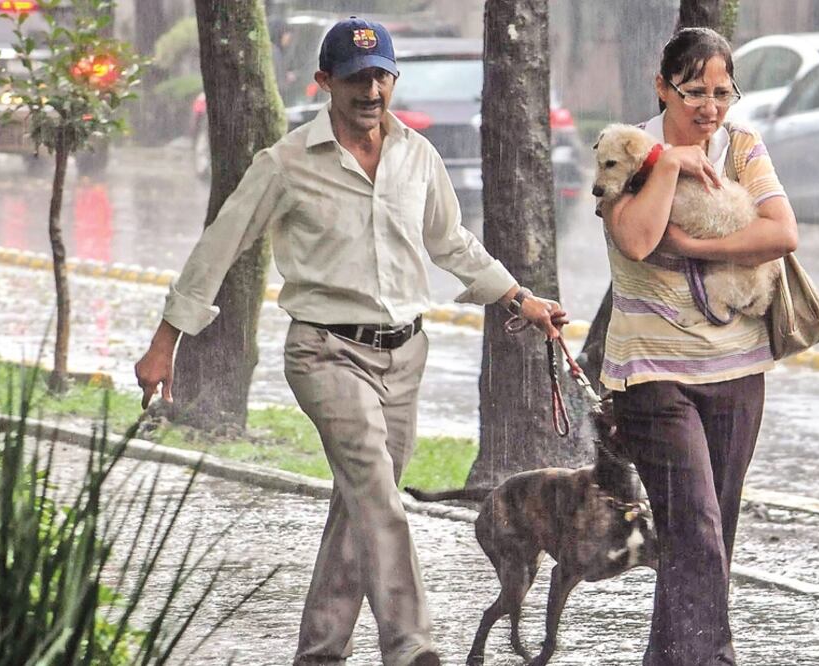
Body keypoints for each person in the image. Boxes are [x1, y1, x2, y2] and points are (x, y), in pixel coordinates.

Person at [133, 17, 566, 666]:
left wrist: (522, 299)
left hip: (405, 358)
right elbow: (220, 245)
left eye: (381, 76)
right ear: (325, 83)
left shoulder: (416, 156)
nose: (371, 90)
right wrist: (166, 338)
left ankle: (320, 652)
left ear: (393, 81)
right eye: (357, 78)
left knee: (360, 504)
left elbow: (453, 243)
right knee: (379, 494)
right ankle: (412, 645)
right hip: (325, 352)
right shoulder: (284, 163)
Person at [598, 27, 797, 666]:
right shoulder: (625, 150)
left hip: (738, 370)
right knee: (697, 530)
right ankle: (714, 658)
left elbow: (781, 232)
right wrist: (669, 163)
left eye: (722, 92)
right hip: (653, 374)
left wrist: (697, 249)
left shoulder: (743, 147)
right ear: (662, 88)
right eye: (694, 92)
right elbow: (634, 238)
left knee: (709, 537)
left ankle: (670, 658)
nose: (709, 108)